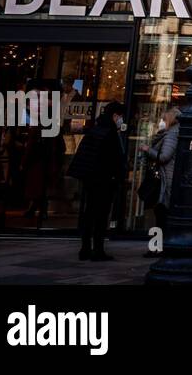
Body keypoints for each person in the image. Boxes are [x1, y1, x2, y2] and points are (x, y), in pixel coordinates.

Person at [67, 102, 127, 262]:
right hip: (104, 180)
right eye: (120, 116)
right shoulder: (111, 133)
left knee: (89, 213)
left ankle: (85, 248)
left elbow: (84, 154)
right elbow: (114, 159)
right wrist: (120, 176)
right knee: (100, 216)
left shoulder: (95, 129)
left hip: (90, 178)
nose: (121, 120)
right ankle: (98, 249)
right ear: (115, 116)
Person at [142, 107, 180, 250]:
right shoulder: (171, 133)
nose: (162, 122)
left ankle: (157, 247)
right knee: (161, 212)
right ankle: (158, 246)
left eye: (164, 119)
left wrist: (148, 150)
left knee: (160, 212)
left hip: (164, 177)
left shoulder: (171, 135)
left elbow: (164, 157)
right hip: (166, 176)